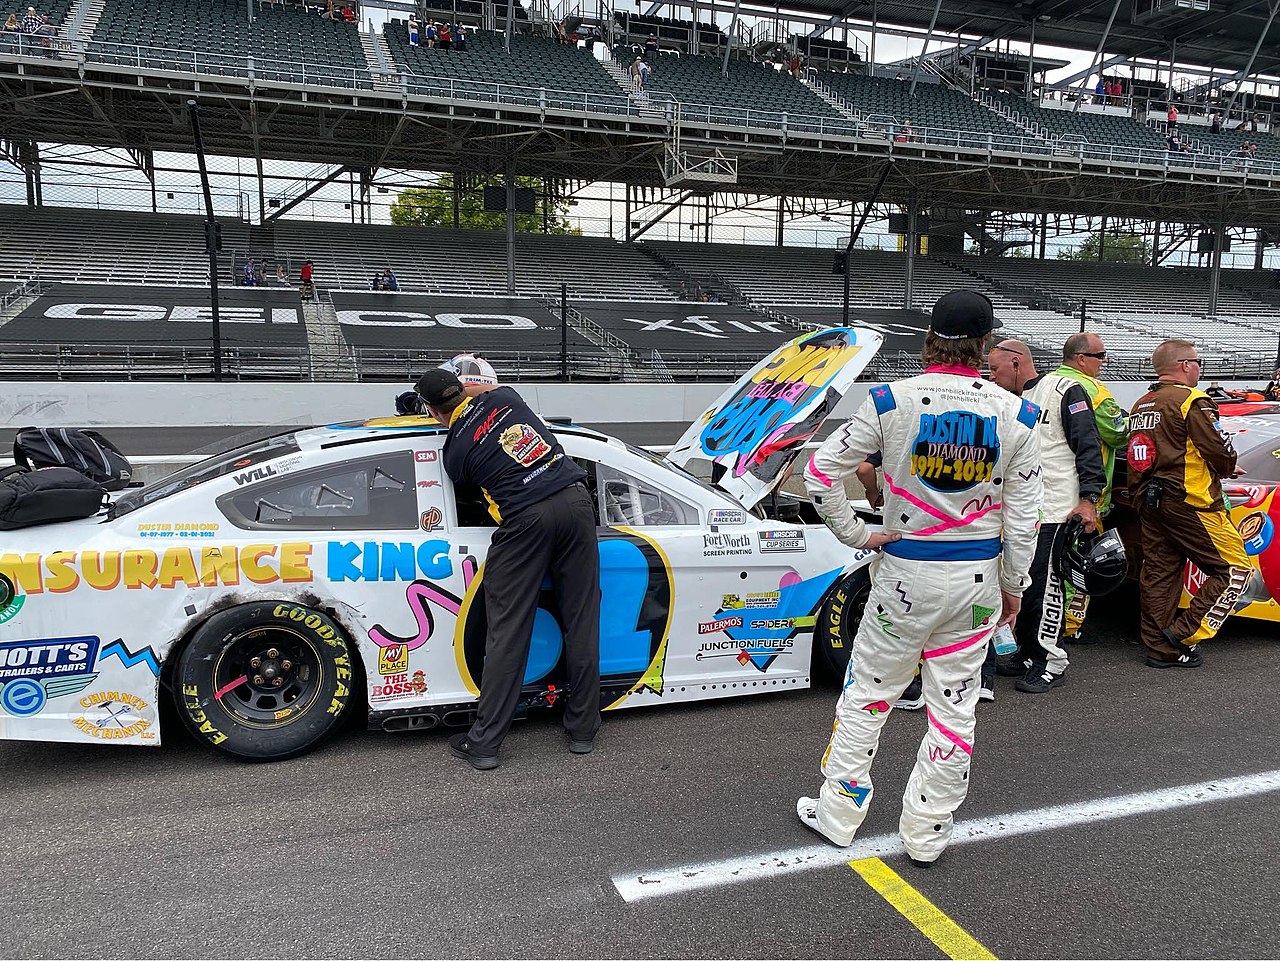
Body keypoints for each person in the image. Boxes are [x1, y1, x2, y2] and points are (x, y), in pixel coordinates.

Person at [796, 290, 1042, 865]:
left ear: (930, 337)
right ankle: (928, 831)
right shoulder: (1019, 414)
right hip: (978, 581)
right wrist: (1014, 587)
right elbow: (1023, 519)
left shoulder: (888, 401)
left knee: (870, 694)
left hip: (905, 576)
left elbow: (818, 475)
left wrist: (858, 536)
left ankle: (839, 814)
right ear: (985, 345)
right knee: (955, 706)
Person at [413, 368, 601, 770]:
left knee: (508, 631)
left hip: (525, 522)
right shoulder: (507, 398)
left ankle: (485, 743)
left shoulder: (455, 455)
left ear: (431, 411)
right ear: (463, 388)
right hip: (575, 502)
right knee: (582, 619)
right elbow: (486, 390)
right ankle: (583, 730)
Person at [987, 339, 1104, 694]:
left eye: (995, 368)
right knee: (1016, 584)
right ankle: (1026, 651)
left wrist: (1089, 499)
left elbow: (1088, 444)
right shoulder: (1000, 401)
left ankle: (1050, 661)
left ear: (1018, 362)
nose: (991, 376)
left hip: (1055, 510)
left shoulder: (1064, 389)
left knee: (1044, 586)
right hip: (1013, 512)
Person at [1128, 340, 1251, 668]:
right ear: (1184, 365)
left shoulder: (1142, 403)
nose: (1199, 368)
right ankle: (1183, 634)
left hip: (1149, 501)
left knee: (1159, 573)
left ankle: (1160, 649)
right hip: (1190, 501)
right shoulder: (1193, 400)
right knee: (1235, 569)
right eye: (1198, 362)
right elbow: (1218, 448)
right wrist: (1226, 465)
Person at [1055, 333, 1129, 644]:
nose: (1104, 362)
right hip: (1085, 493)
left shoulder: (1048, 383)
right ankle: (1070, 625)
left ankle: (1047, 619)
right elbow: (1119, 433)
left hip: (1049, 488)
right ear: (1081, 358)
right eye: (1100, 356)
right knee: (1082, 557)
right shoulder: (1094, 391)